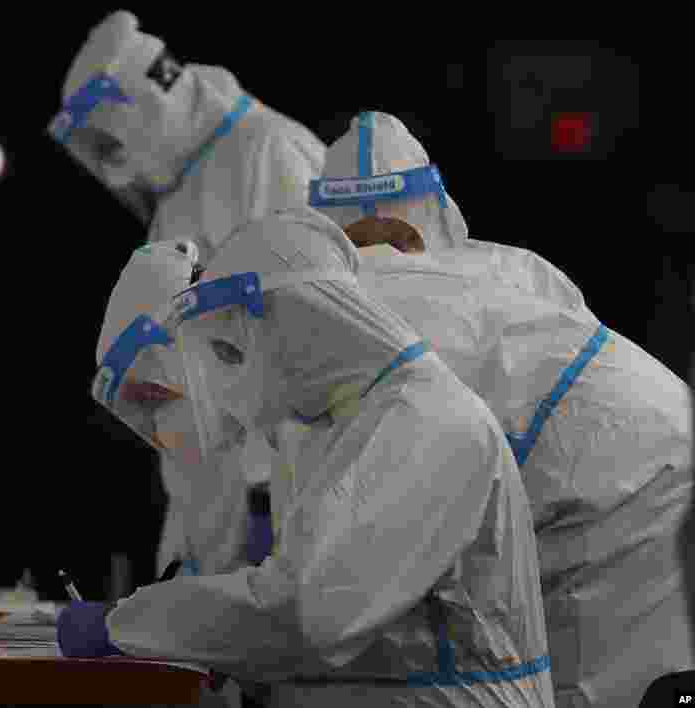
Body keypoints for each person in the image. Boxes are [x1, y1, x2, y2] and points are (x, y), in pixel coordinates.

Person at [61, 207, 555, 707]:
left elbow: (306, 611)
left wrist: (128, 623)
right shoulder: (346, 423)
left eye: (232, 349)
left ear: (303, 322)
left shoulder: (423, 422)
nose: (230, 371)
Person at [310, 110, 695, 708]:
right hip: (650, 463)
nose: (385, 253)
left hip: (614, 501)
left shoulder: (352, 315)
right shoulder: (518, 270)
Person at [50, 10, 326, 580]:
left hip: (280, 487)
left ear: (148, 104)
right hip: (218, 484)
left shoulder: (268, 153)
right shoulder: (188, 185)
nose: (112, 165)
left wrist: (265, 500)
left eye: (109, 142)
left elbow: (314, 335)